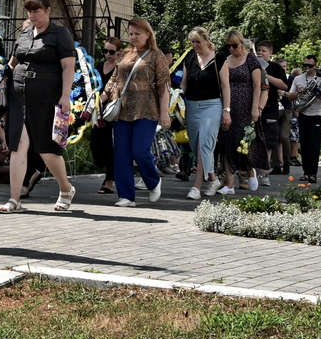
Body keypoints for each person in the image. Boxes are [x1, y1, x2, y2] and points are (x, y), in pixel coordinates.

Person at [0, 0, 78, 213]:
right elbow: (13, 62)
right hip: (18, 96)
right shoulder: (24, 33)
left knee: (46, 149)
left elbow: (68, 66)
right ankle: (14, 200)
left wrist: (65, 96)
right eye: (29, 11)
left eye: (37, 11)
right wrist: (1, 79)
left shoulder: (59, 34)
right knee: (18, 147)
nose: (32, 15)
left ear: (48, 10)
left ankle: (65, 189)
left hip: (46, 98)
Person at [100, 18, 171, 207]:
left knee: (139, 150)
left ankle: (153, 181)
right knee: (121, 153)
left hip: (147, 109)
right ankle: (126, 196)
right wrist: (101, 98)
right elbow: (113, 80)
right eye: (131, 34)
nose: (133, 37)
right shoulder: (123, 54)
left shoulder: (157, 56)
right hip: (121, 109)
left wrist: (164, 113)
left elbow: (164, 86)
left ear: (148, 34)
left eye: (137, 33)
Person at [181, 27, 229, 199]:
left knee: (204, 144)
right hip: (192, 106)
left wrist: (226, 110)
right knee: (196, 146)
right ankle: (214, 179)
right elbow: (184, 84)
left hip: (212, 105)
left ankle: (196, 187)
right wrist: (176, 99)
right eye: (192, 42)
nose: (195, 45)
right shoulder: (189, 59)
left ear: (207, 41)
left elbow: (225, 86)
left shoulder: (219, 59)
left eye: (198, 42)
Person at [215, 31, 261, 195]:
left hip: (246, 106)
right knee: (227, 143)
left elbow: (257, 86)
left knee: (243, 143)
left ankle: (250, 171)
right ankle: (230, 185)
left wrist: (255, 108)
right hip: (229, 106)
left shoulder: (251, 59)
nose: (232, 49)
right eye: (229, 46)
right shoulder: (226, 60)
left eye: (234, 45)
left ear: (242, 43)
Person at [90, 36, 123, 194]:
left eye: (111, 51)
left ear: (119, 52)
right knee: (96, 145)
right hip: (99, 111)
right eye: (105, 51)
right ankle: (112, 172)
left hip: (114, 111)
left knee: (110, 146)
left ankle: (109, 181)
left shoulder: (121, 68)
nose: (108, 54)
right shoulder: (100, 65)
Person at [287, 54, 321, 183]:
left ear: (316, 66)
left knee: (314, 145)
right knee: (304, 145)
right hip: (303, 114)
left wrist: (320, 95)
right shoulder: (298, 79)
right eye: (305, 65)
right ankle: (306, 172)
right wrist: (298, 92)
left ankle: (313, 173)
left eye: (310, 65)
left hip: (316, 114)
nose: (307, 68)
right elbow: (290, 97)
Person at [256, 40, 290, 177]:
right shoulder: (252, 65)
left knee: (269, 140)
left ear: (270, 53)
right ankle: (253, 168)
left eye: (263, 51)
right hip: (254, 106)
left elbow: (284, 86)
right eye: (258, 50)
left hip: (270, 107)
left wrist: (265, 75)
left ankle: (264, 172)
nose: (260, 53)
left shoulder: (276, 67)